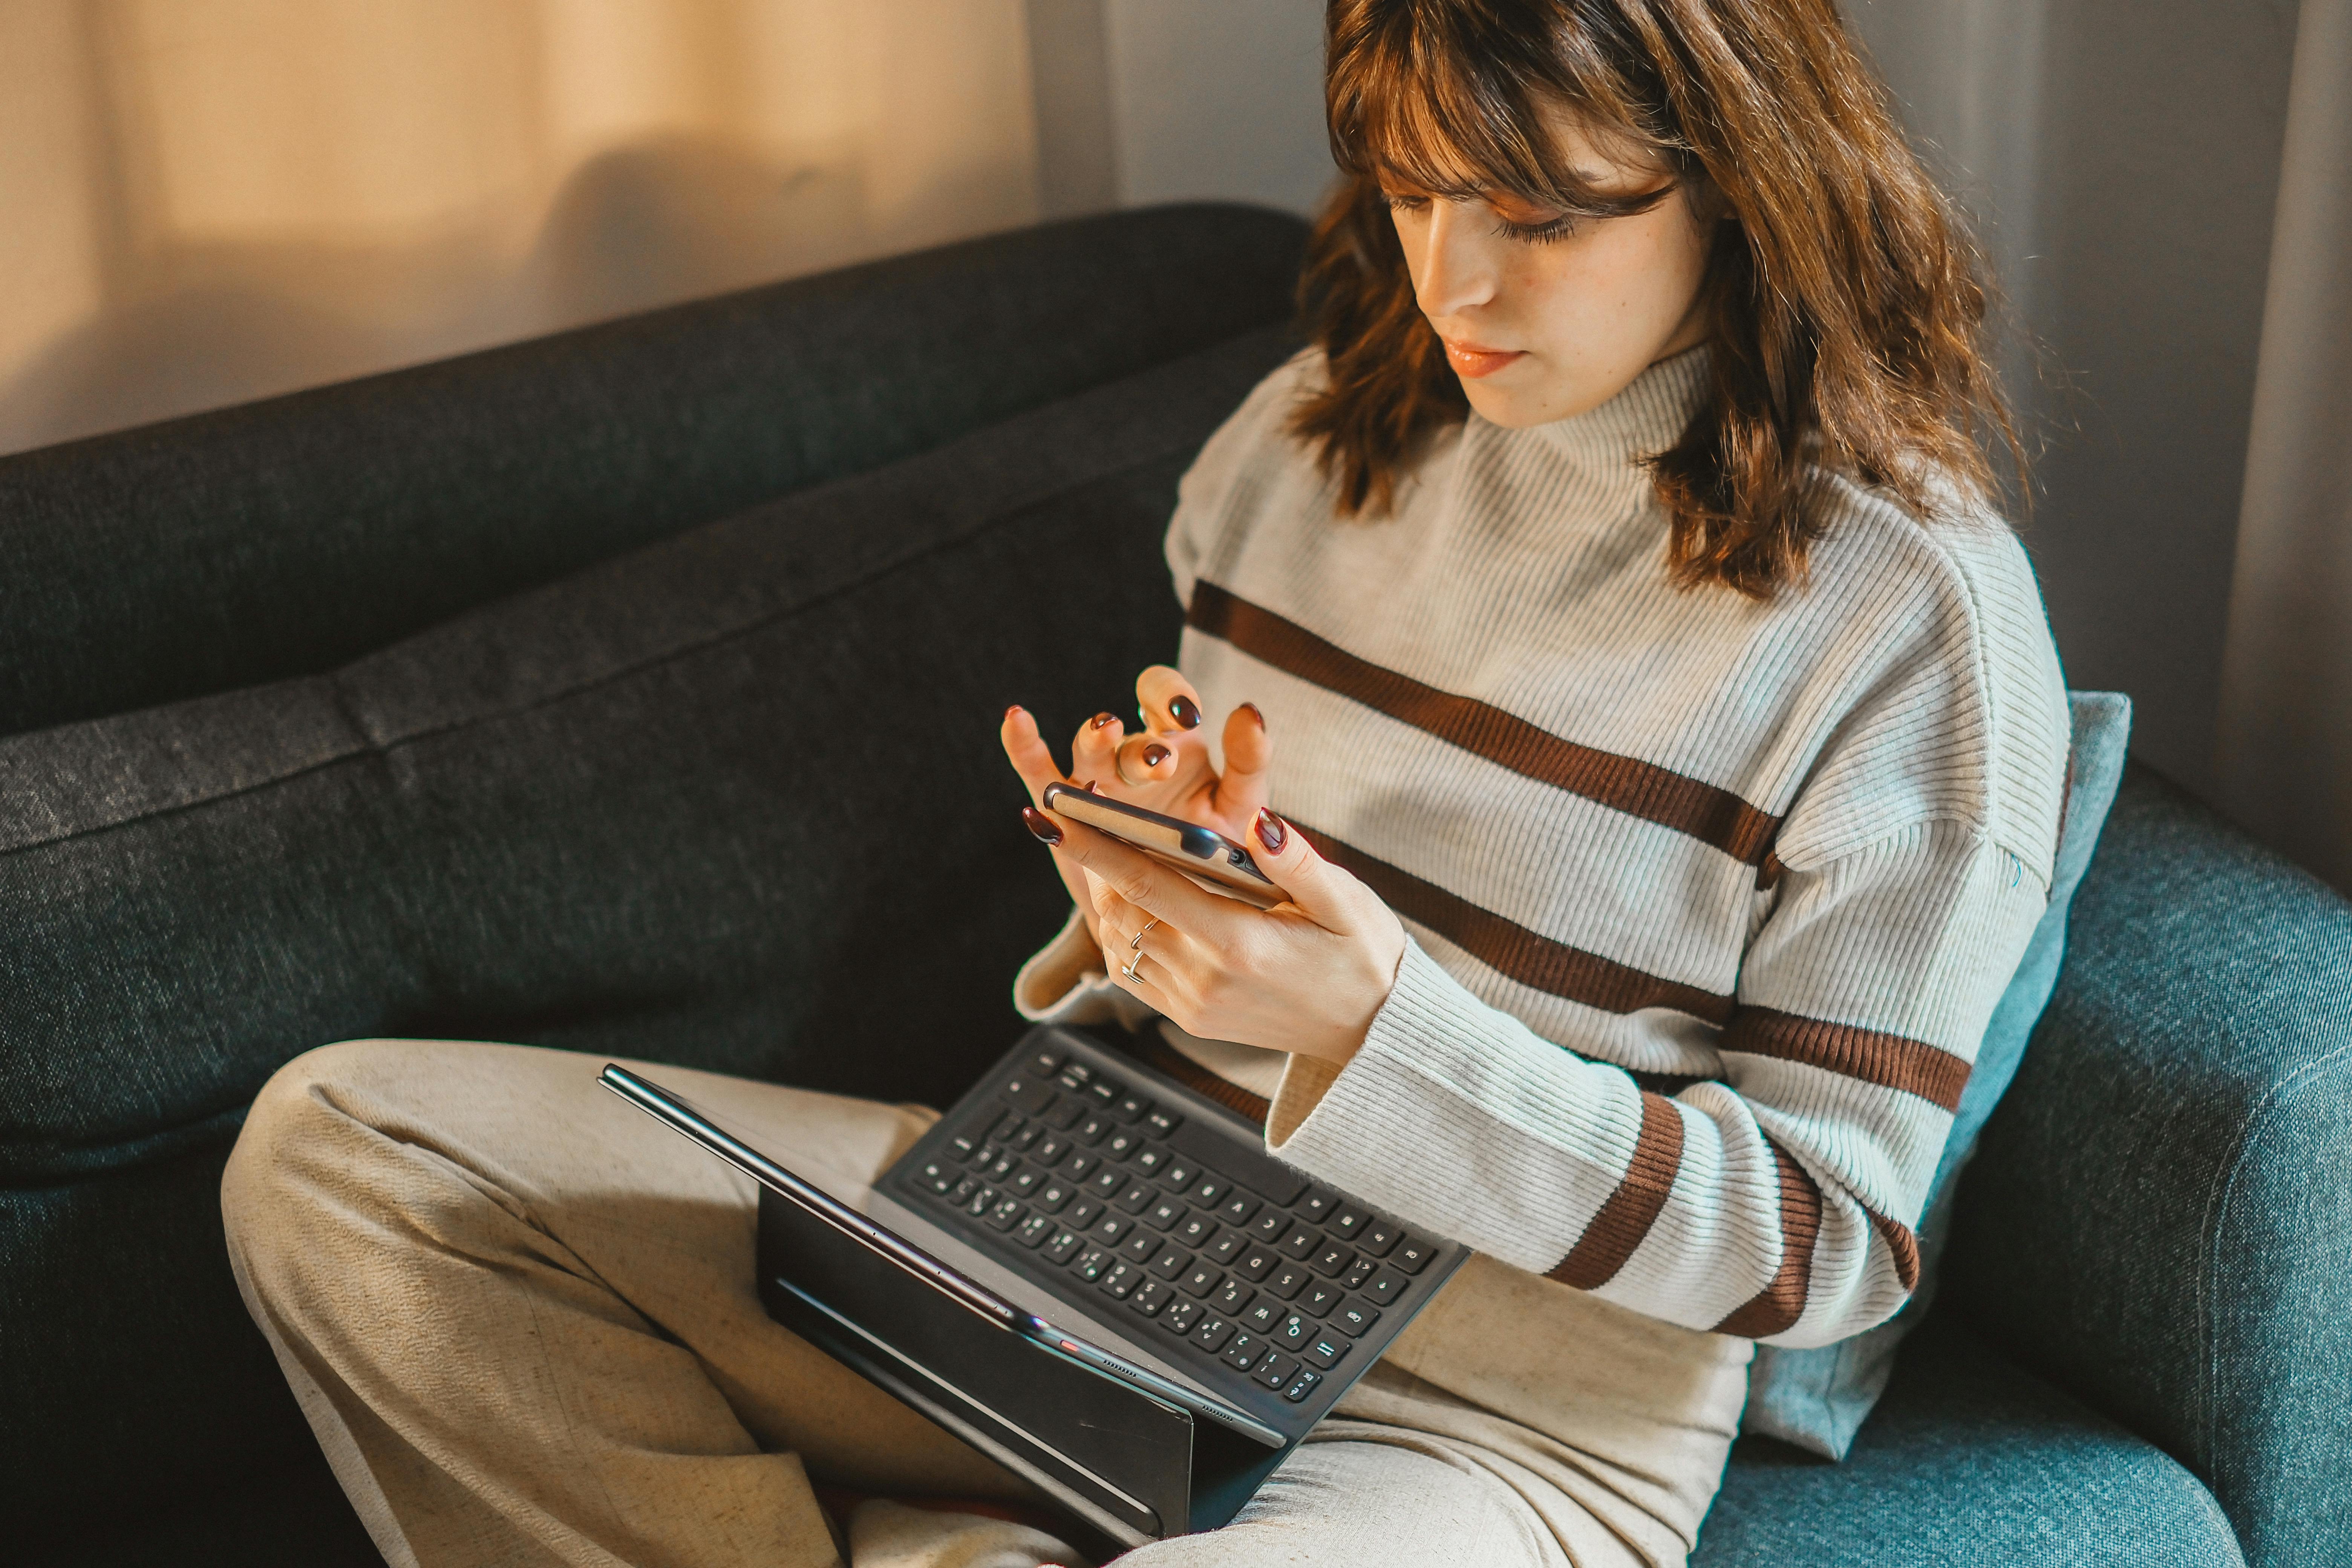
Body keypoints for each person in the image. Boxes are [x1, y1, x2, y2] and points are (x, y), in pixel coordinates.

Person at [221, 2, 2069, 1565]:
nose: (1455, 279)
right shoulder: (1301, 443)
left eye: (1540, 211)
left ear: (1749, 181)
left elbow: (1827, 1247)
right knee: (348, 1163)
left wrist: (1377, 1027)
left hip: (1506, 1405)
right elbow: (1197, 976)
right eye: (1416, 187)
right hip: (1101, 1226)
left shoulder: (1911, 623)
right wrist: (1152, 900)